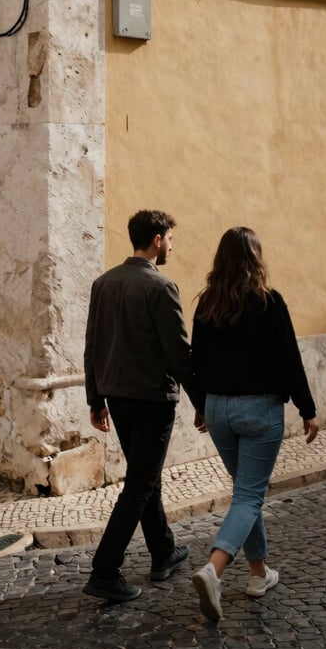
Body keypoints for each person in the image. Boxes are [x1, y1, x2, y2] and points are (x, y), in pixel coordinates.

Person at [190, 226, 318, 622]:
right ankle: (214, 569)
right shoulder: (268, 302)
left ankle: (259, 574)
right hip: (259, 411)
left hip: (218, 410)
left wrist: (201, 407)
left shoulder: (207, 304)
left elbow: (198, 363)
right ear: (255, 259)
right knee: (248, 496)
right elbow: (288, 359)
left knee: (247, 492)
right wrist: (307, 408)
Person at [82, 209, 201, 603]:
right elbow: (178, 353)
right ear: (156, 239)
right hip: (151, 399)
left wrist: (95, 398)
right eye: (169, 238)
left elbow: (92, 346)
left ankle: (163, 552)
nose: (171, 245)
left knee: (145, 477)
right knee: (139, 484)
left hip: (117, 397)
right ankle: (104, 570)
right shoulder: (161, 286)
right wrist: (203, 402)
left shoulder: (104, 283)